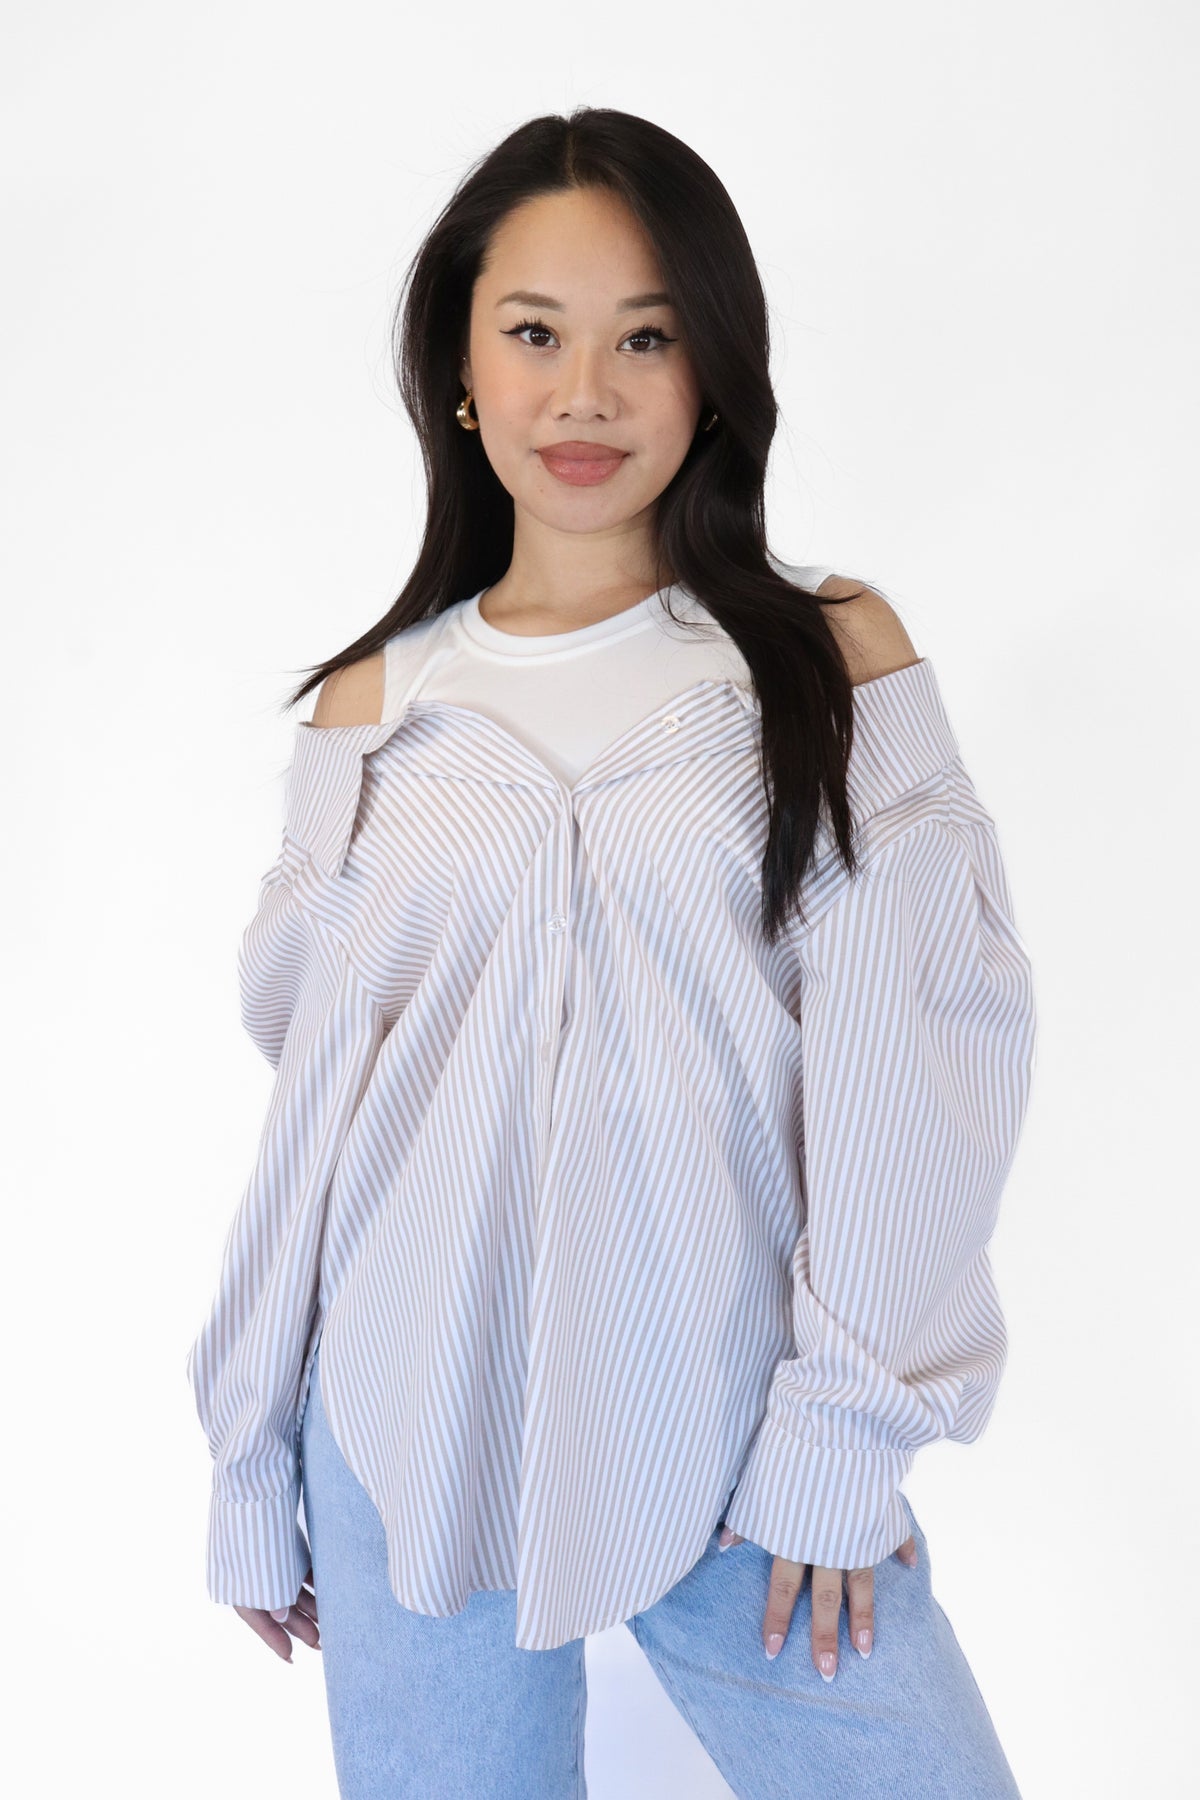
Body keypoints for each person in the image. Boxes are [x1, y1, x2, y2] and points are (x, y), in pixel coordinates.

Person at [185, 106, 1037, 1798]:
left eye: (645, 338)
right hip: (407, 1430)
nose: (585, 393)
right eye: (535, 335)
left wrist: (842, 1434)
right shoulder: (375, 705)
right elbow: (322, 1121)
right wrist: (252, 1450)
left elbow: (923, 1050)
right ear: (459, 369)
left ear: (714, 368)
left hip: (746, 1427)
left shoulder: (824, 657)